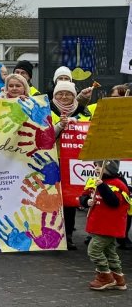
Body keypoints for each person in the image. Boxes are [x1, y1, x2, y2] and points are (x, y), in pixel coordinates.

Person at [79, 160, 129, 290]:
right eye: (95, 165)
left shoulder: (118, 184)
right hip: (97, 223)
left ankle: (105, 276)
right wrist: (86, 201)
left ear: (110, 168)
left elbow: (114, 202)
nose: (97, 168)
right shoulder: (93, 181)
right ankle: (118, 279)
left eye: (100, 166)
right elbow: (83, 196)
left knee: (93, 250)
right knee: (110, 252)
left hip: (109, 226)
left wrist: (102, 186)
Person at [52, 82, 90, 251]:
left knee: (69, 200)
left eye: (68, 94)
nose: (64, 97)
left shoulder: (83, 112)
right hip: (51, 160)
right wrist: (60, 126)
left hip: (73, 161)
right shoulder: (46, 110)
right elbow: (44, 135)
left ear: (74, 96)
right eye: (60, 93)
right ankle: (52, 235)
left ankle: (67, 236)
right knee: (51, 199)